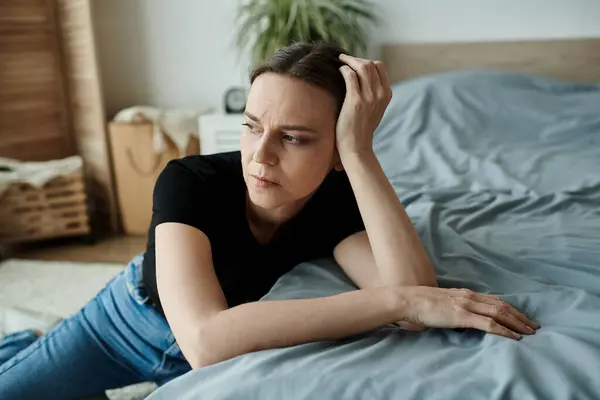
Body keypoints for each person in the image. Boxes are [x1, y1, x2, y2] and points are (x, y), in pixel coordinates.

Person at [0, 42, 539, 399]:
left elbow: (416, 292)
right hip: (123, 326)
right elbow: (206, 342)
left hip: (218, 344)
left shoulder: (338, 194)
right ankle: (21, 341)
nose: (260, 157)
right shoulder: (188, 180)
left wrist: (359, 153)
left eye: (295, 137)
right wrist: (401, 304)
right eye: (252, 126)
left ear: (335, 148)